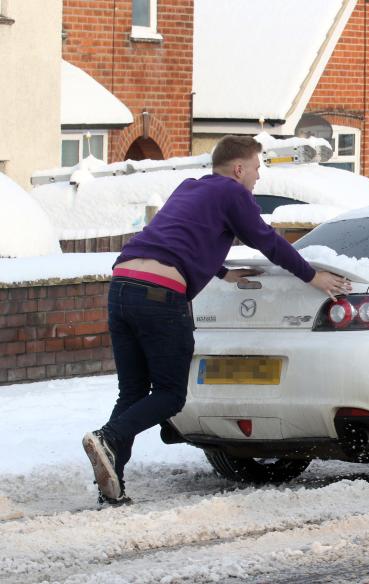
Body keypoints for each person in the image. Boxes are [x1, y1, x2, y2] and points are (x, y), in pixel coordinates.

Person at [81, 135, 350, 505]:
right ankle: (109, 439)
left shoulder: (189, 188)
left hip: (122, 287)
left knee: (131, 392)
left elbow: (180, 236)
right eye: (257, 168)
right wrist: (312, 276)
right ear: (239, 168)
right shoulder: (233, 193)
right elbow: (266, 241)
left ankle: (111, 484)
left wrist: (221, 272)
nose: (258, 177)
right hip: (159, 297)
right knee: (170, 395)